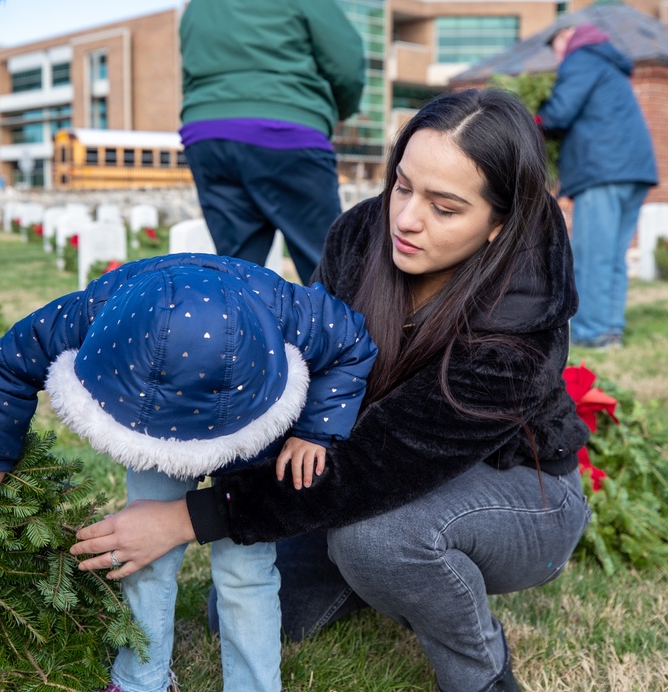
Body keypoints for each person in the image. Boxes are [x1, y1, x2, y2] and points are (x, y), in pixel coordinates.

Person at [71, 89, 594, 692]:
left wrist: (185, 519)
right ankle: (382, 578)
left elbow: (377, 464)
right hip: (379, 470)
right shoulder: (360, 237)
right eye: (403, 186)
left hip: (520, 489)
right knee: (238, 604)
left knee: (376, 539)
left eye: (444, 207)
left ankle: (481, 674)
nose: (405, 219)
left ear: (498, 225)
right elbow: (306, 376)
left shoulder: (517, 339)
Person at [0, 254, 377, 692]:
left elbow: (351, 343)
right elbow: (14, 356)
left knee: (246, 569)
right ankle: (141, 679)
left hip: (250, 427)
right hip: (155, 438)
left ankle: (253, 685)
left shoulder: (285, 309)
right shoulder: (99, 310)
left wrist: (314, 432)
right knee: (144, 552)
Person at [178, 0, 365, 284]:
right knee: (329, 266)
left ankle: (236, 325)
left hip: (208, 136)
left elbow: (190, 70)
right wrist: (337, 112)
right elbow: (346, 63)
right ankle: (342, 327)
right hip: (286, 132)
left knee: (236, 270)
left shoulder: (196, 6)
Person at [537, 21, 658, 349]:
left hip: (604, 170)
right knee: (613, 256)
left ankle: (591, 333)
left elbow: (559, 113)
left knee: (591, 255)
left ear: (566, 36)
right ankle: (609, 330)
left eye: (556, 47)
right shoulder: (606, 62)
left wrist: (529, 120)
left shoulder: (582, 58)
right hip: (633, 170)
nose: (557, 56)